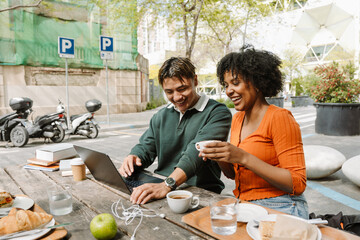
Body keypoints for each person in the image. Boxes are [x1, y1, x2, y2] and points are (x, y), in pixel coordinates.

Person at [199, 46, 309, 219]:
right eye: (226, 85)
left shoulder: (279, 117)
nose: (229, 91)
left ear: (257, 82)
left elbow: (297, 182)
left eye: (236, 83)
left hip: (282, 205)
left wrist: (243, 157)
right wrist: (220, 156)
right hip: (245, 205)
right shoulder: (237, 119)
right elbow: (234, 175)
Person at [119, 57, 232, 205]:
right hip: (161, 186)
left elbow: (194, 154)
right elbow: (146, 146)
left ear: (195, 81)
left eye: (182, 88)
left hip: (199, 193)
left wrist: (167, 184)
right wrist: (134, 156)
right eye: (169, 92)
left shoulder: (217, 113)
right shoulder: (161, 116)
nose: (177, 97)